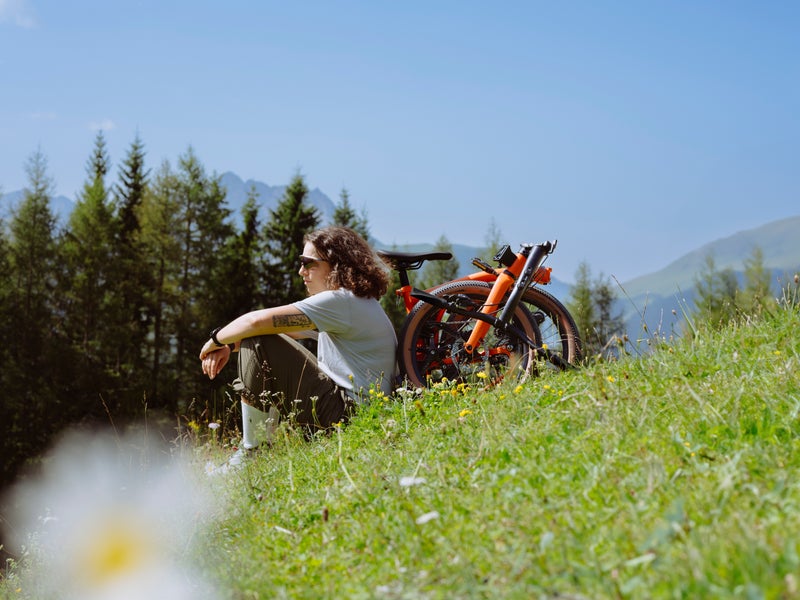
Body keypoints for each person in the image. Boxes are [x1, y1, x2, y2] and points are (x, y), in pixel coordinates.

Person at [200, 226, 397, 472]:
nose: (301, 271)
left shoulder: (340, 302)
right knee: (259, 337)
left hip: (348, 417)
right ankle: (256, 452)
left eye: (308, 263)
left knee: (257, 341)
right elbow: (282, 329)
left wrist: (215, 340)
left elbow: (254, 323)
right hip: (357, 414)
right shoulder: (355, 302)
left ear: (335, 264)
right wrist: (230, 343)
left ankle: (251, 456)